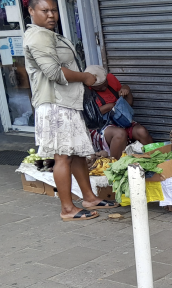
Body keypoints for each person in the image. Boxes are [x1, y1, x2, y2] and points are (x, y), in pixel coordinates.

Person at [24, 0, 117, 221]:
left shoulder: (50, 34)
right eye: (44, 10)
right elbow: (54, 72)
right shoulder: (38, 36)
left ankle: (89, 198)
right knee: (62, 156)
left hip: (67, 102)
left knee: (77, 153)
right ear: (30, 11)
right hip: (55, 104)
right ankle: (67, 208)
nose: (51, 15)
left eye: (54, 10)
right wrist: (85, 77)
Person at [85, 65, 153, 159]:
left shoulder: (111, 78)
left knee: (142, 131)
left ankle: (155, 159)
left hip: (119, 119)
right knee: (119, 134)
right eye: (99, 88)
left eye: (105, 84)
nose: (104, 88)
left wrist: (126, 90)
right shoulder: (86, 91)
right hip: (100, 126)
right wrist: (109, 107)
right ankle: (115, 166)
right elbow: (89, 116)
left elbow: (129, 103)